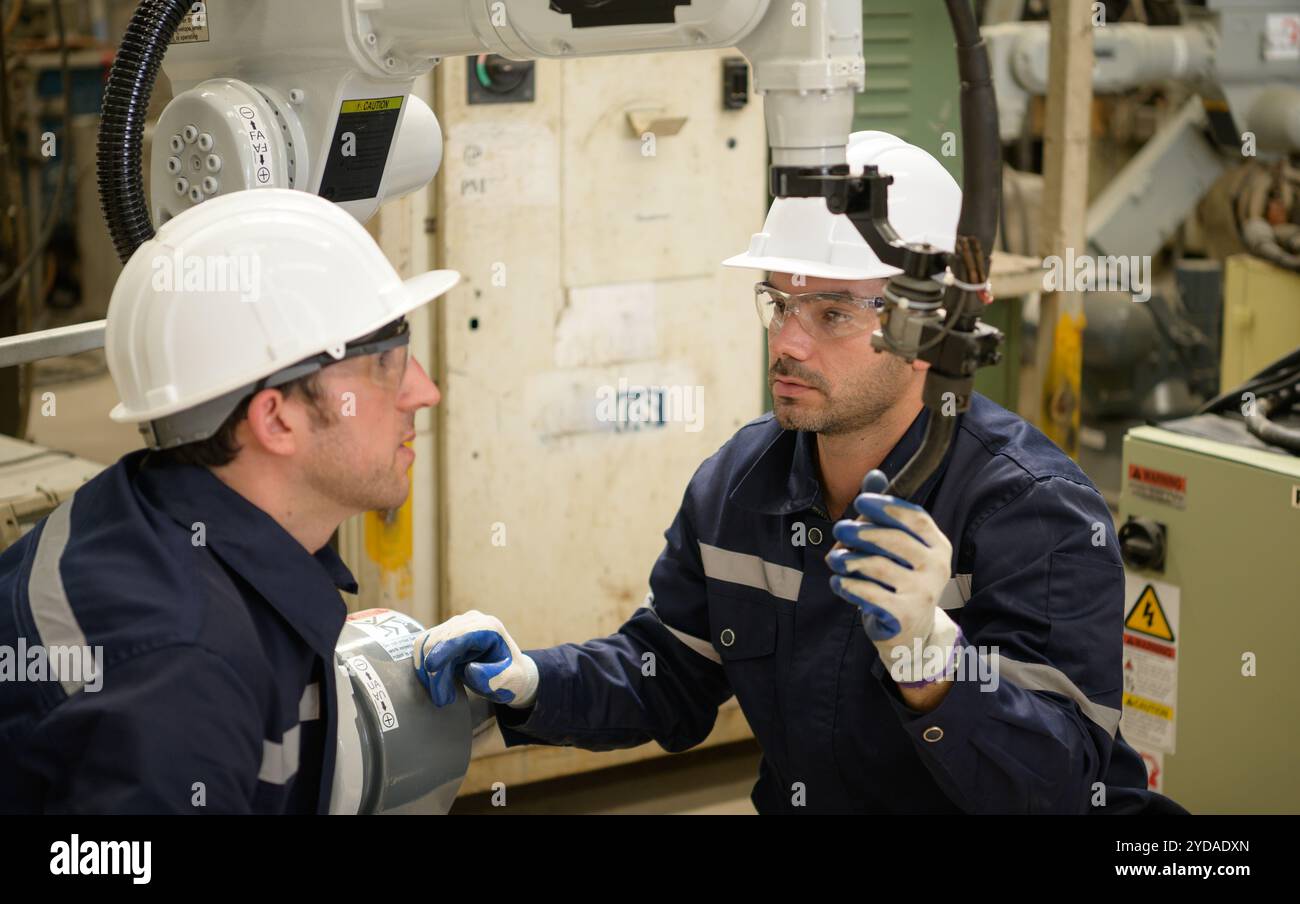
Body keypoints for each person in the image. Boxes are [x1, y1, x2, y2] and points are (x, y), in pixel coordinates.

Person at [412, 131, 1183, 814]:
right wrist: (529, 682)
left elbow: (1057, 786)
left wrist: (933, 664)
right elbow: (668, 673)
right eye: (779, 303)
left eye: (834, 313)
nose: (789, 343)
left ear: (932, 322)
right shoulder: (738, 485)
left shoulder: (1035, 511)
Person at [0, 189, 458, 813]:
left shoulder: (142, 508)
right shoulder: (180, 676)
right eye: (386, 365)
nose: (425, 392)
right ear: (275, 419)